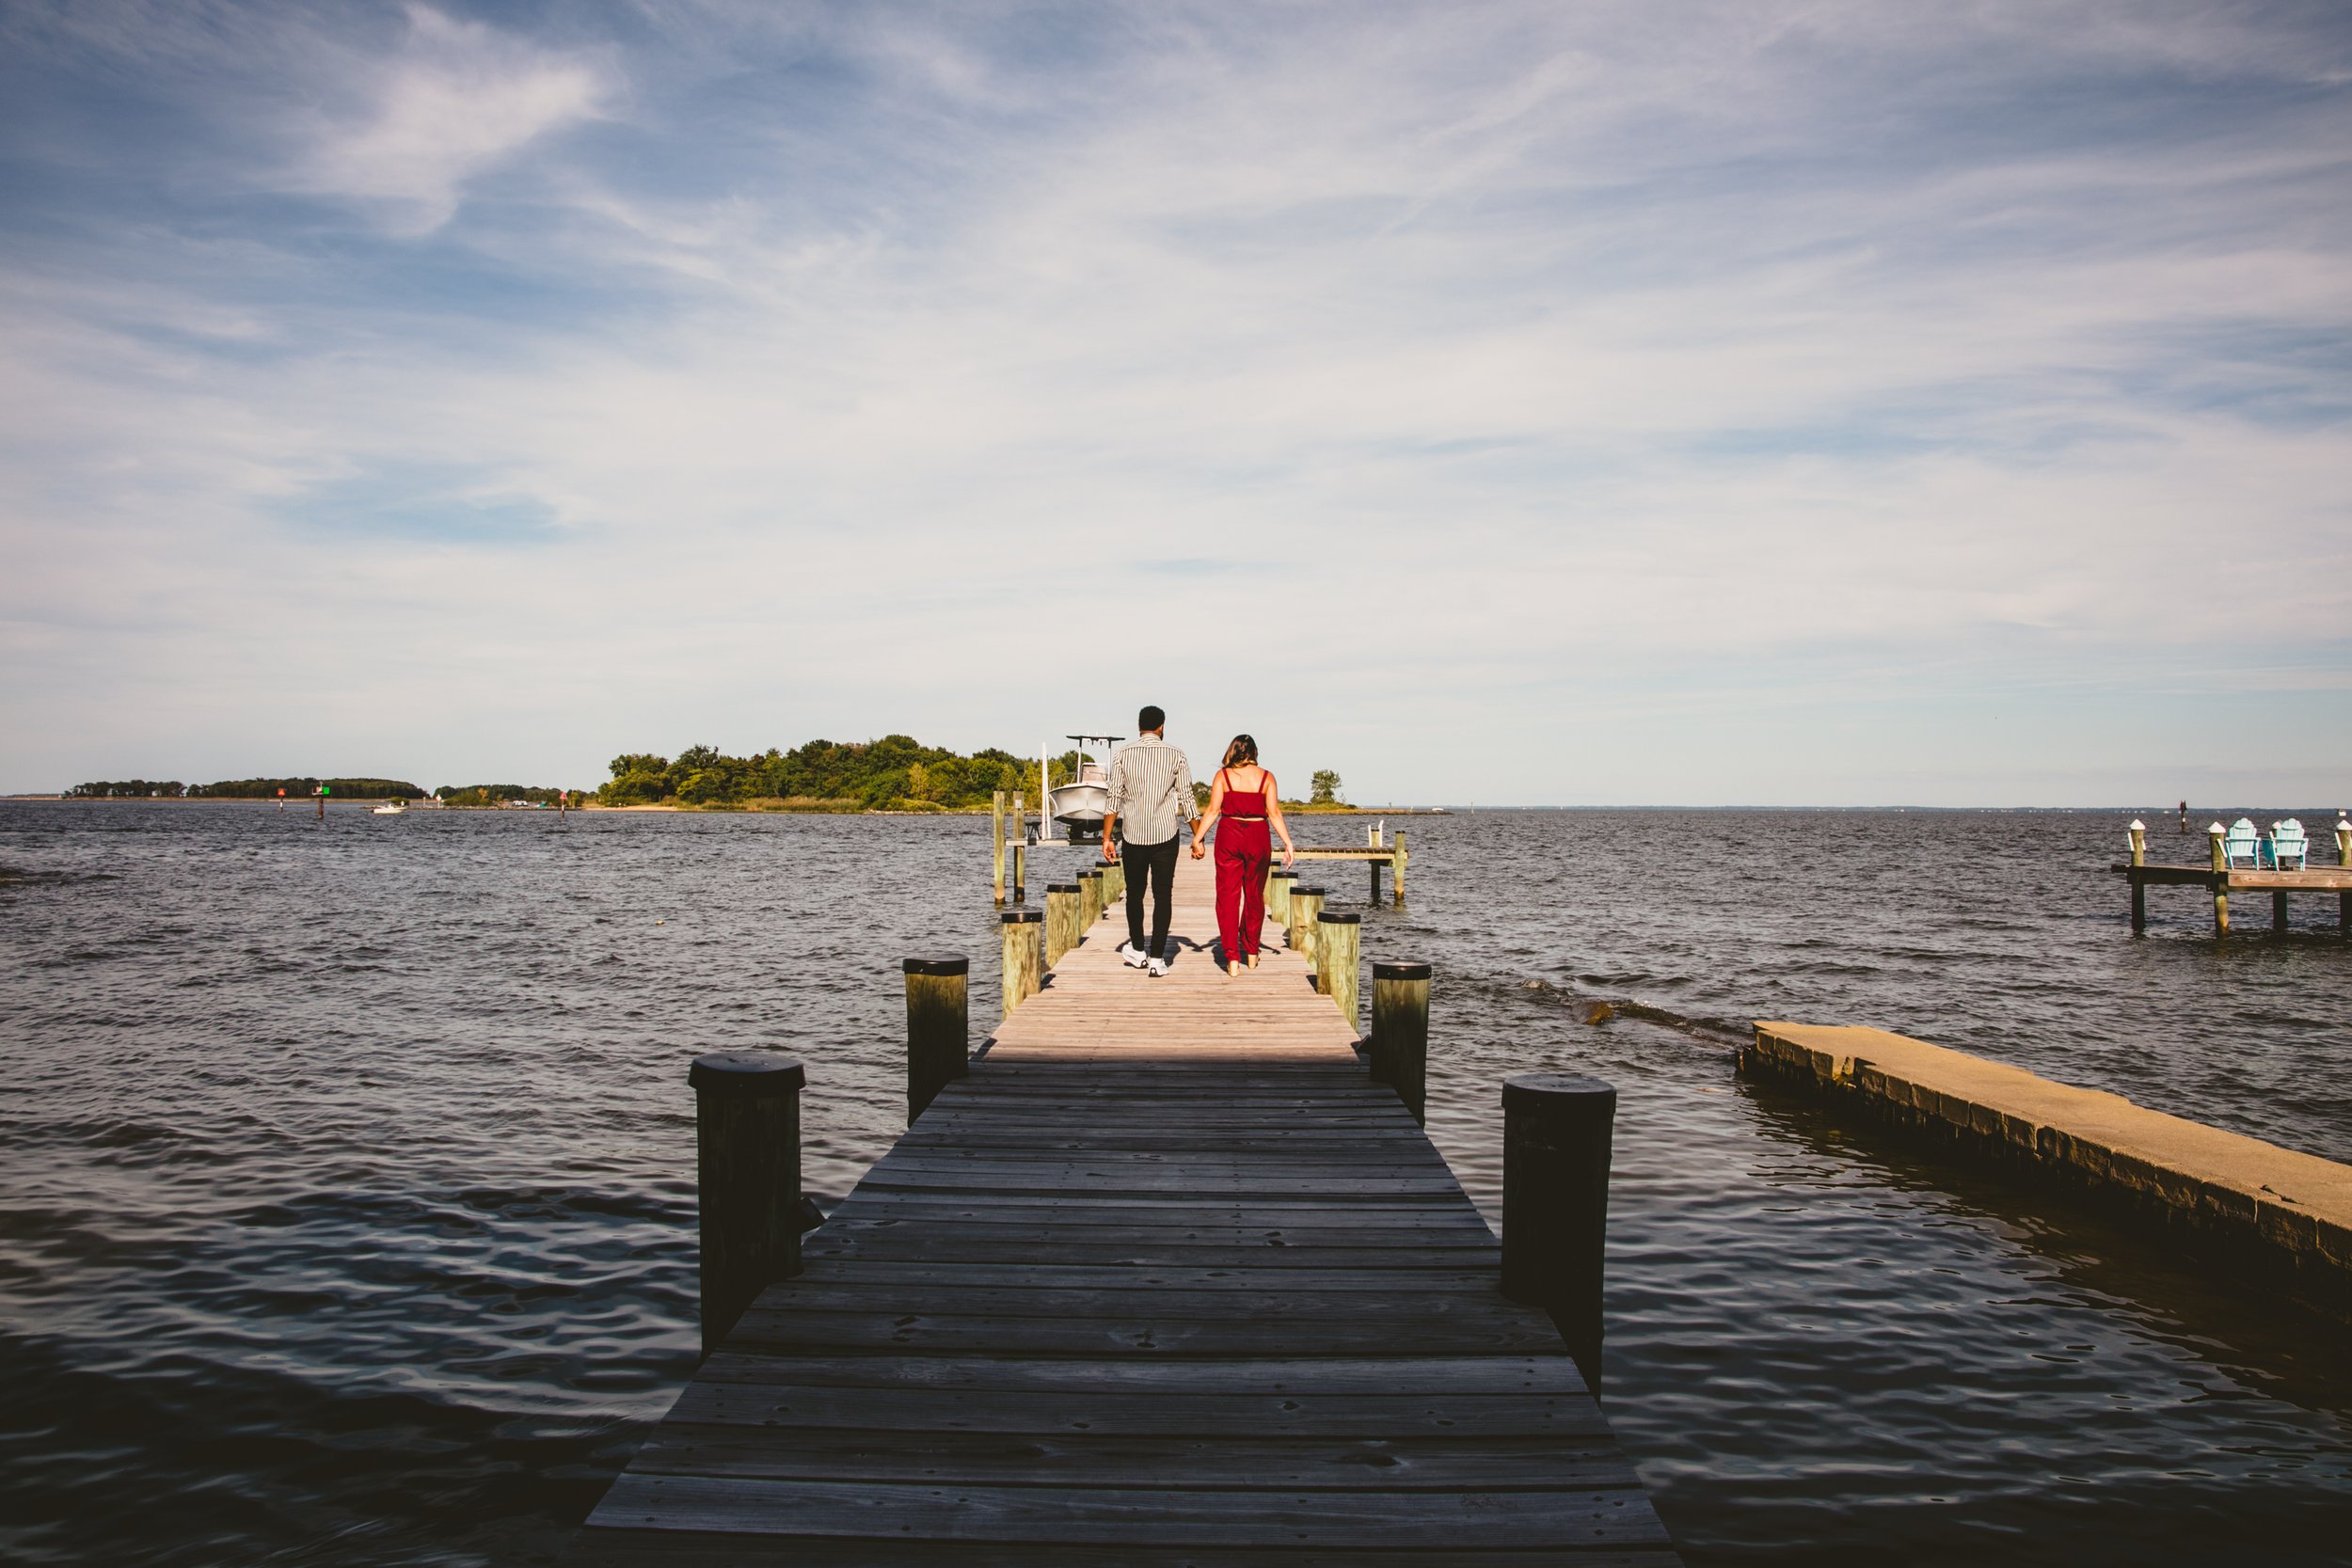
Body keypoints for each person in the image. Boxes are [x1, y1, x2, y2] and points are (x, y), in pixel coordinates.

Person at [1101, 705, 1198, 977]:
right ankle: (1157, 958)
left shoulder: (1123, 755)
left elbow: (1113, 799)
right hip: (1166, 835)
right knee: (1162, 894)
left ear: (1138, 726)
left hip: (1133, 835)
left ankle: (1137, 949)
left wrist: (1107, 837)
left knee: (1135, 894)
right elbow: (1187, 798)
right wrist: (1198, 837)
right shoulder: (1176, 755)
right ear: (1162, 727)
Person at [1191, 736, 1295, 977]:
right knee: (1254, 895)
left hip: (1229, 834)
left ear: (1233, 750)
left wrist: (1198, 838)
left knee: (1227, 896)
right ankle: (1251, 953)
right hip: (1258, 835)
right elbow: (1274, 813)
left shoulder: (1223, 777)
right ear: (1254, 752)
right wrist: (1288, 843)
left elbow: (1214, 811)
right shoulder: (1267, 777)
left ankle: (1232, 959)